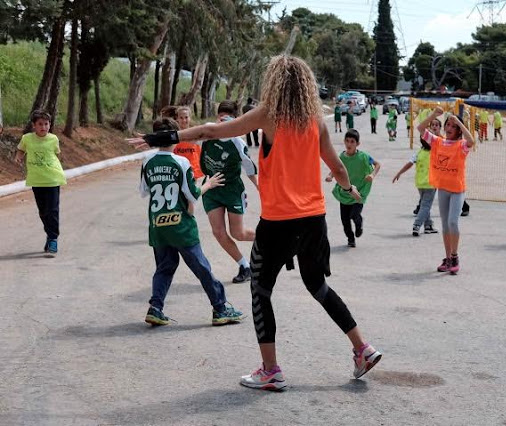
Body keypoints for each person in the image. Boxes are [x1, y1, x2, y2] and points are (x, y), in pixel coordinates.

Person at [130, 55, 382, 391]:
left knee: (260, 291)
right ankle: (362, 348)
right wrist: (350, 189)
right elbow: (337, 168)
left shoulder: (269, 116)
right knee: (318, 287)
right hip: (314, 220)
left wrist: (160, 139)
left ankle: (270, 370)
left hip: (279, 222)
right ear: (307, 86)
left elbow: (209, 130)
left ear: (274, 83)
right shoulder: (316, 122)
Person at [139, 118, 244, 326]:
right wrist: (210, 184)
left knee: (164, 267)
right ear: (175, 137)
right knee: (201, 267)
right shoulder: (181, 162)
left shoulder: (147, 161)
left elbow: (144, 191)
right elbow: (193, 195)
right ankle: (220, 308)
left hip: (158, 225)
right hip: (181, 226)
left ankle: (156, 307)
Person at [200, 101, 258, 283]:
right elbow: (185, 136)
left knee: (238, 233)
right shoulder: (208, 133)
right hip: (211, 187)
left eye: (228, 117)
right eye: (221, 116)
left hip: (232, 190)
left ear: (235, 119)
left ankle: (270, 241)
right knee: (218, 231)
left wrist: (260, 187)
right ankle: (245, 266)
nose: (223, 119)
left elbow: (249, 168)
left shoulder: (237, 143)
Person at [417, 107, 474, 275]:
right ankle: (447, 258)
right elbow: (421, 129)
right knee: (444, 224)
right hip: (443, 188)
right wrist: (434, 115)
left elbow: (471, 141)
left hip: (457, 190)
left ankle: (455, 257)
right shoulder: (438, 141)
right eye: (447, 124)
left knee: (453, 222)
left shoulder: (461, 145)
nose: (449, 128)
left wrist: (460, 123)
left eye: (453, 126)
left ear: (458, 130)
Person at [14, 110, 67, 257]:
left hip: (52, 179)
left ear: (50, 125)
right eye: (40, 124)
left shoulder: (53, 139)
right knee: (43, 211)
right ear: (34, 126)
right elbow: (20, 149)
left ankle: (53, 239)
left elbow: (57, 154)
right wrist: (18, 157)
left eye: (46, 124)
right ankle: (50, 234)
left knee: (53, 210)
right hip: (36, 180)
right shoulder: (27, 138)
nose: (43, 127)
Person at [326, 129, 381, 247]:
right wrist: (330, 176)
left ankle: (359, 223)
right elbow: (336, 168)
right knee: (345, 221)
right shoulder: (341, 156)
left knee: (354, 215)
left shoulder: (364, 157)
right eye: (347, 141)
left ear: (357, 144)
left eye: (352, 141)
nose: (349, 144)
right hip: (345, 193)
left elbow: (377, 164)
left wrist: (372, 175)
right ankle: (350, 239)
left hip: (358, 193)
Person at [393, 119, 439, 236]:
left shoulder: (419, 152)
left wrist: (399, 172)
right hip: (430, 184)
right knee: (425, 205)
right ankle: (417, 225)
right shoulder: (435, 151)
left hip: (420, 184)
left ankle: (428, 225)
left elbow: (409, 164)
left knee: (424, 204)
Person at [171, 106, 204, 180]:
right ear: (177, 119)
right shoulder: (174, 135)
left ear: (190, 118)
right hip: (177, 171)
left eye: (186, 117)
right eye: (181, 118)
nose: (184, 120)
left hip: (192, 171)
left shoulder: (196, 134)